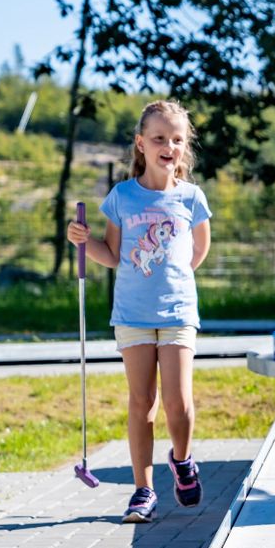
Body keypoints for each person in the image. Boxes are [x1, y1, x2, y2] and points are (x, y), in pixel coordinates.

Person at [67, 100, 213, 523]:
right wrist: (81, 241)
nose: (169, 146)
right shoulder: (123, 197)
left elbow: (199, 249)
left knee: (178, 402)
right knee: (141, 402)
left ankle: (182, 461)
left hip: (178, 312)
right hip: (131, 314)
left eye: (177, 140)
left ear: (184, 147)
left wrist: (175, 279)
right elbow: (111, 254)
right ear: (141, 144)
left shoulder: (191, 197)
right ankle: (143, 490)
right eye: (159, 139)